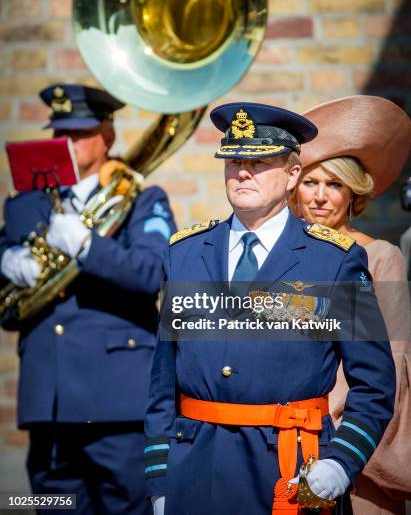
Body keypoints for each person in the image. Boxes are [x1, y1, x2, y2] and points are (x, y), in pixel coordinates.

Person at [144, 101, 396, 515]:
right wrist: (159, 481)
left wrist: (341, 462)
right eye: (233, 160)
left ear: (293, 173)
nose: (242, 172)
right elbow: (162, 385)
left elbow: (375, 385)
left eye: (259, 162)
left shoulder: (333, 260)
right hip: (195, 472)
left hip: (291, 474)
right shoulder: (184, 254)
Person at [0, 84, 176, 515]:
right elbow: (8, 307)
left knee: (127, 507)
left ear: (108, 136)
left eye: (80, 134)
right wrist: (6, 261)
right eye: (60, 134)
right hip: (49, 406)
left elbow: (152, 273)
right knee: (53, 506)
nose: (69, 145)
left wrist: (86, 246)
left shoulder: (142, 198)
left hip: (116, 402)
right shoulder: (24, 206)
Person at [292, 95, 411, 515]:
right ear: (294, 186)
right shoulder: (283, 258)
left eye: (335, 184)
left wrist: (339, 440)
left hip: (356, 449)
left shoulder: (380, 257)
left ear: (353, 194)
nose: (322, 196)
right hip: (286, 442)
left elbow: (392, 365)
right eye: (311, 182)